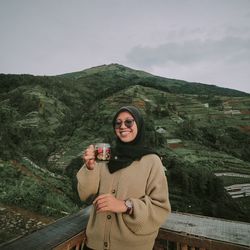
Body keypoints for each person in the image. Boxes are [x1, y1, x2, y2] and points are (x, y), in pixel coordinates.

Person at [76, 105, 171, 250]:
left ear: (138, 124)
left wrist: (125, 205)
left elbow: (160, 207)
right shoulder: (105, 156)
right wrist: (90, 167)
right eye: (118, 123)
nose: (122, 126)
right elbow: (85, 195)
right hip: (94, 245)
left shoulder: (151, 161)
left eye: (128, 122)